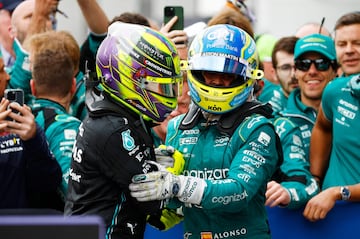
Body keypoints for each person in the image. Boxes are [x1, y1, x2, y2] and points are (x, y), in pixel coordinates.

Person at [129, 24, 282, 238]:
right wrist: (159, 182)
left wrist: (177, 185)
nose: (217, 81)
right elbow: (172, 211)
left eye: (227, 74)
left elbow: (239, 192)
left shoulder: (257, 129)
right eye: (209, 72)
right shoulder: (177, 127)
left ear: (246, 76)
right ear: (194, 71)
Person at [64, 22, 183, 239]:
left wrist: (154, 162)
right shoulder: (114, 130)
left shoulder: (113, 117)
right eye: (161, 87)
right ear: (130, 80)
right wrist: (177, 172)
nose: (170, 96)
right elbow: (156, 207)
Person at [265, 33, 338, 209]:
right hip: (299, 219)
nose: (312, 71)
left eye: (321, 64)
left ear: (336, 69)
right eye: (303, 65)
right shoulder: (278, 122)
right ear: (295, 71)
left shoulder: (350, 112)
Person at [303, 11, 360, 222]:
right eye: (342, 44)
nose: (349, 51)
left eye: (357, 43)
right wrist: (316, 179)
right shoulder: (334, 90)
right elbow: (323, 127)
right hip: (329, 214)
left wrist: (339, 192)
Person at [0, 54, 62, 209]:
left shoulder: (21, 121)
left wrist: (34, 139)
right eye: (1, 71)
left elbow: (49, 182)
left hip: (21, 228)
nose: (8, 77)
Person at [28, 33, 81, 211]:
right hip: (55, 227)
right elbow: (72, 194)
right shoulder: (67, 126)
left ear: (33, 87)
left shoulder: (16, 118)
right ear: (73, 86)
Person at [259, 36, 299, 115]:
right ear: (274, 73)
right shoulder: (270, 115)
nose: (293, 74)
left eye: (298, 66)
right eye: (285, 68)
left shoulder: (325, 103)